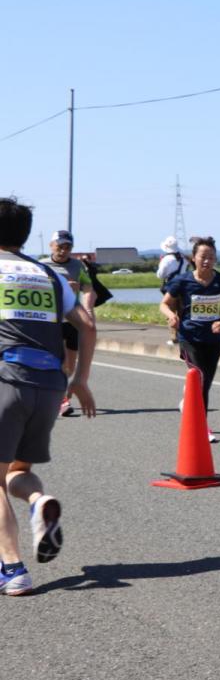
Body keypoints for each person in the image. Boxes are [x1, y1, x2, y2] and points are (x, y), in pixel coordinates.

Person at [1, 197, 97, 595]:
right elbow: (87, 324)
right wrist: (80, 380)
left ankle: (12, 569)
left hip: (7, 376)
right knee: (16, 471)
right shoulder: (47, 274)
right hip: (50, 384)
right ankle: (39, 501)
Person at [160, 237, 220, 443]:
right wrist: (171, 316)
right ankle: (203, 428)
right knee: (200, 379)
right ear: (193, 258)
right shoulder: (183, 281)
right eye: (203, 257)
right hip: (189, 337)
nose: (207, 261)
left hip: (214, 339)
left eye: (211, 257)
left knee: (205, 384)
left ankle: (188, 401)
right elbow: (164, 304)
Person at [40, 230, 94, 417]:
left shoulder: (77, 265)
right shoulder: (41, 266)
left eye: (67, 247)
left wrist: (87, 307)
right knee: (59, 361)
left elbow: (88, 287)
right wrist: (60, 287)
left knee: (70, 366)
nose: (63, 251)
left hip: (73, 319)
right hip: (52, 319)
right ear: (51, 246)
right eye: (60, 246)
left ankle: (57, 393)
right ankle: (62, 400)